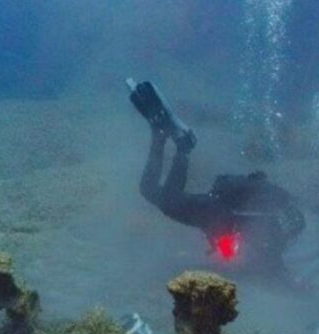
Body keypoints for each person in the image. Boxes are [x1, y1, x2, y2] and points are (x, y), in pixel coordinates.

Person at [129, 78, 305, 278]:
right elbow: (268, 264)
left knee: (152, 192)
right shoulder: (271, 235)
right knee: (166, 200)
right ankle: (180, 146)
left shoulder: (268, 223)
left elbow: (240, 245)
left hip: (215, 209)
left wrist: (227, 246)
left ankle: (161, 136)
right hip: (216, 213)